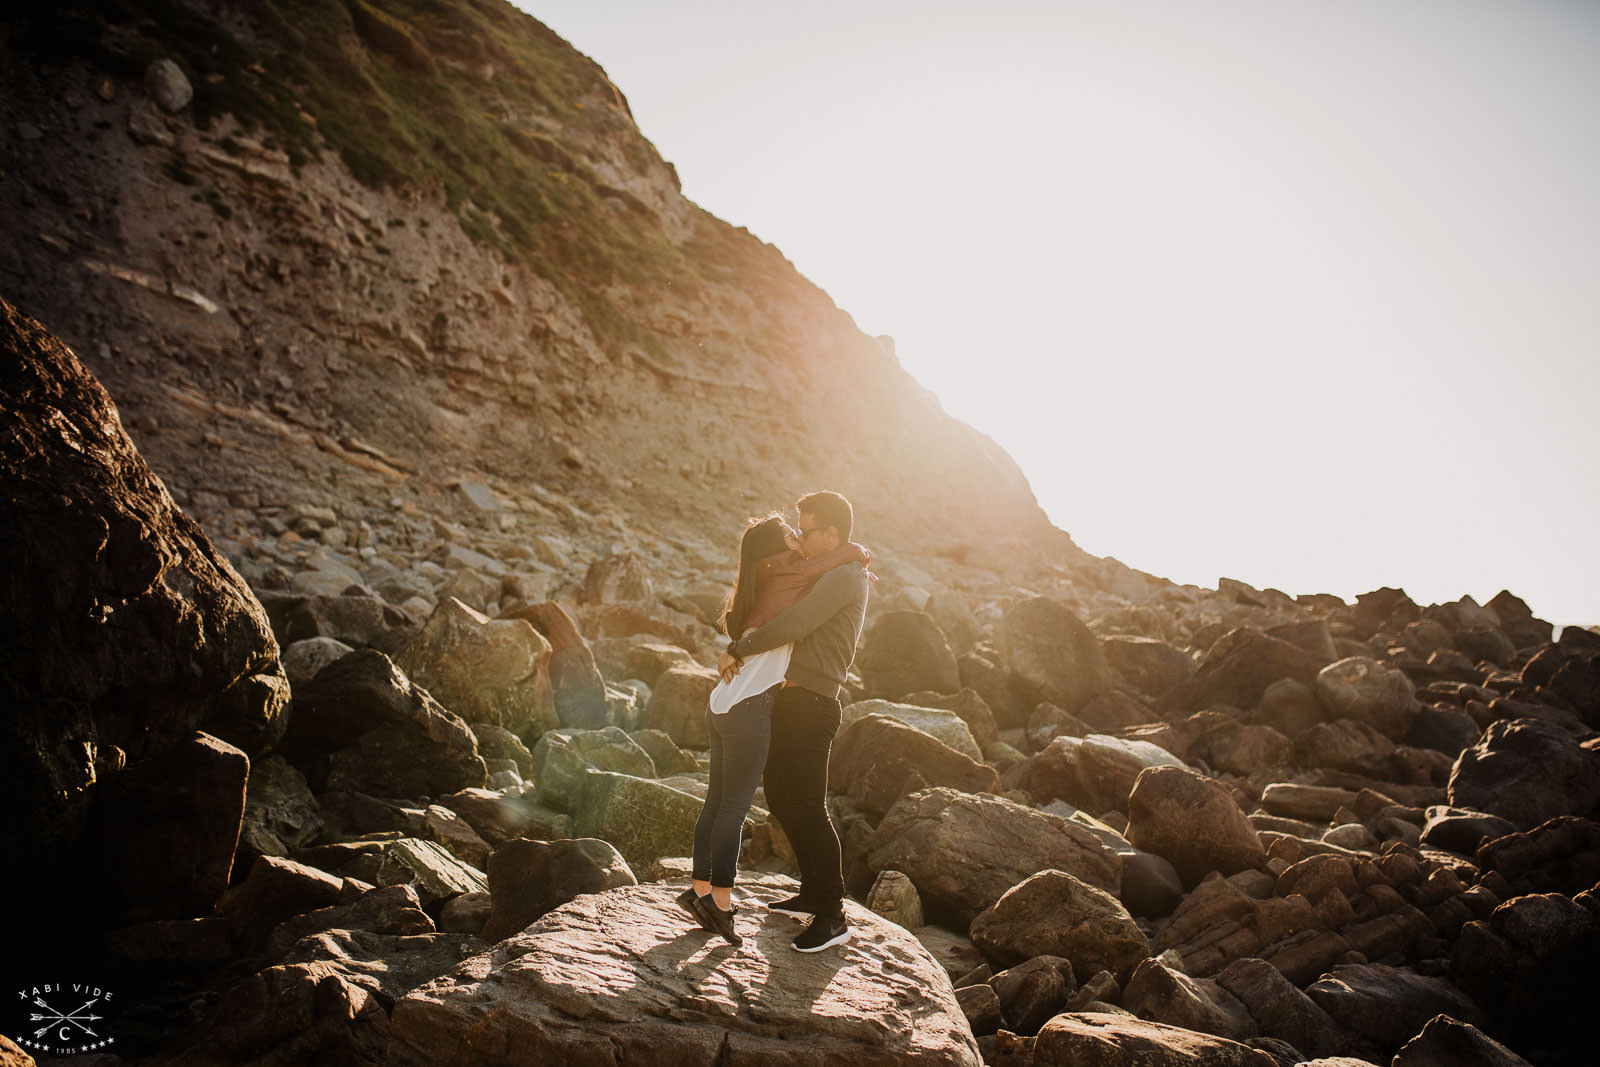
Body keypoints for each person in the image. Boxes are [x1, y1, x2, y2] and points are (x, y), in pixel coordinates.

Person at [679, 510, 870, 947]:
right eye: (793, 531)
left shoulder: (835, 575)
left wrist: (738, 647)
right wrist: (854, 549)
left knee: (802, 806)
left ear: (831, 533)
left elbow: (798, 622)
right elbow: (800, 593)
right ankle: (786, 895)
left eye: (806, 530)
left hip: (796, 702)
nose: (800, 537)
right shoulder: (798, 572)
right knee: (777, 803)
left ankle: (831, 914)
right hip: (774, 703)